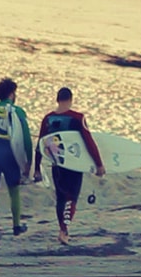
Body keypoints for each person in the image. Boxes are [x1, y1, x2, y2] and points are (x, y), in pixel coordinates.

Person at [35, 87, 105, 245]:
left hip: (57, 164)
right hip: (74, 164)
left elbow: (40, 144)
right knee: (71, 198)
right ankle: (64, 230)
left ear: (57, 100)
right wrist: (98, 164)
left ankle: (62, 229)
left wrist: (37, 167)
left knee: (61, 197)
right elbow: (88, 141)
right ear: (71, 99)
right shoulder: (77, 117)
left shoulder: (48, 119)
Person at [0, 77, 32, 241]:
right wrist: (28, 162)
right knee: (14, 191)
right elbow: (26, 139)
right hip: (10, 157)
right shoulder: (17, 111)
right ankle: (16, 226)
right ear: (11, 93)